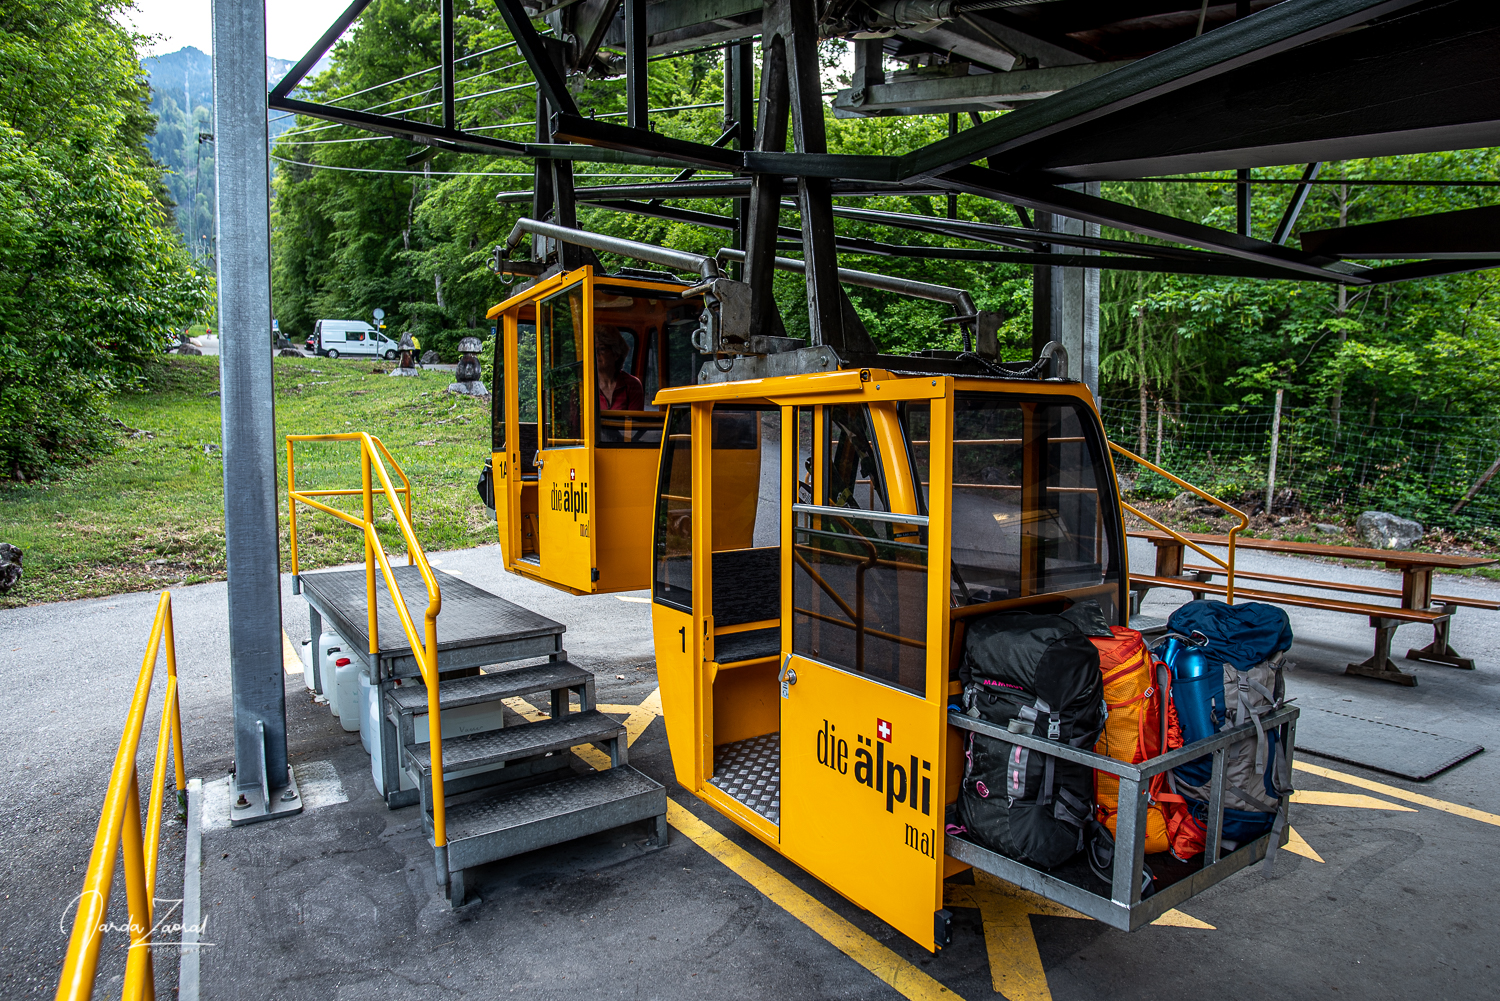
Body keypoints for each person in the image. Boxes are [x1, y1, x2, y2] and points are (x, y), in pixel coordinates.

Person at [596, 327, 644, 411]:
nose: (596, 354)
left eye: (602, 349)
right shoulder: (583, 385)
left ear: (616, 354)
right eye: (593, 349)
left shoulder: (632, 385)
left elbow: (635, 422)